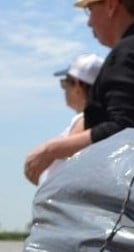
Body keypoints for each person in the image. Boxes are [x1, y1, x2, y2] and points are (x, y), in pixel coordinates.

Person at [23, 0, 134, 184]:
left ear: (111, 6)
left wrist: (50, 150)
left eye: (90, 9)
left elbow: (123, 128)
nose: (89, 21)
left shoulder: (130, 52)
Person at [39, 53, 104, 185]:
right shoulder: (94, 121)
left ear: (78, 86)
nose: (64, 89)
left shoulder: (84, 121)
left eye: (65, 83)